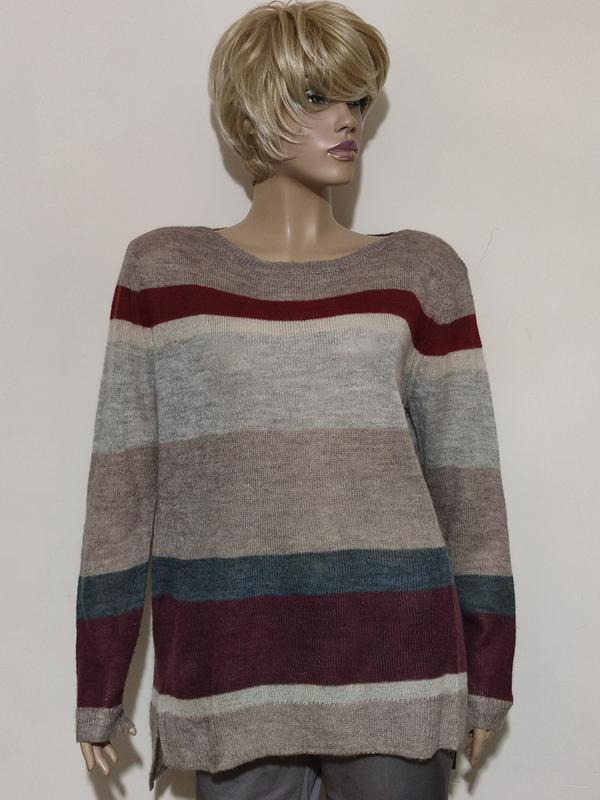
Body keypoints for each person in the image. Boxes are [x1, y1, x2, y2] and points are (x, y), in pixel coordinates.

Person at [75, 2, 516, 798]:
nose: (347, 119)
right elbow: (122, 492)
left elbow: (468, 489)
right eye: (317, 97)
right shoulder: (163, 272)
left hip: (394, 664)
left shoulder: (422, 272)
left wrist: (488, 674)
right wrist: (99, 687)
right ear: (253, 104)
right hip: (230, 666)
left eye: (357, 100)